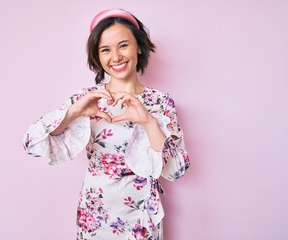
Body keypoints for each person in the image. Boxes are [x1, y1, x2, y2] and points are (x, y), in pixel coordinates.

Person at [23, 8, 190, 240]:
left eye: (123, 45)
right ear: (97, 56)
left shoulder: (160, 103)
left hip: (142, 217)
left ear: (139, 47)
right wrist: (75, 112)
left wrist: (148, 121)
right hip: (95, 215)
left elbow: (177, 170)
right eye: (105, 50)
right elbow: (32, 143)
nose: (116, 57)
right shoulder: (87, 98)